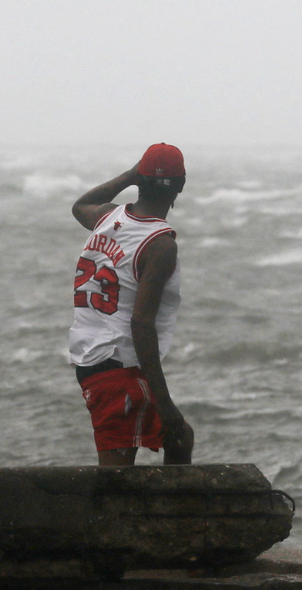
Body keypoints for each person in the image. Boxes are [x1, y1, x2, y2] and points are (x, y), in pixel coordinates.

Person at [69, 143, 194, 466]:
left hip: (92, 357)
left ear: (140, 179)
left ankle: (172, 516)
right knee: (117, 479)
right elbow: (140, 322)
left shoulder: (107, 217)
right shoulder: (160, 245)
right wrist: (165, 404)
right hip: (117, 366)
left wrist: (129, 175)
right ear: (181, 185)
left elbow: (81, 204)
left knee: (180, 438)